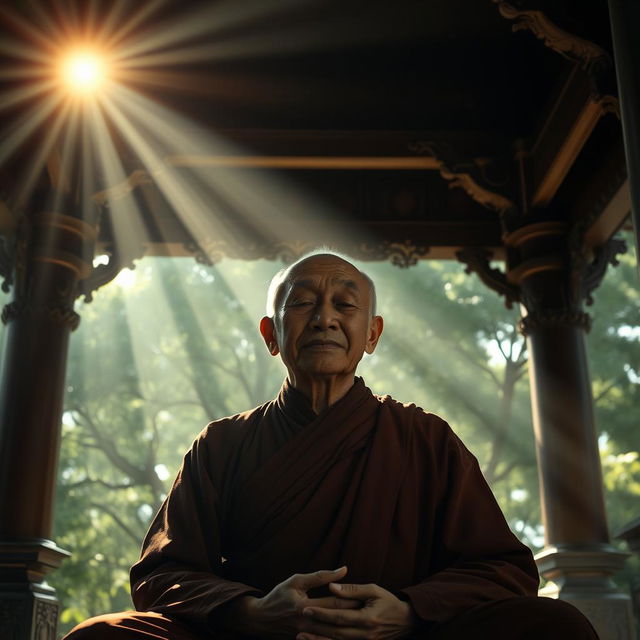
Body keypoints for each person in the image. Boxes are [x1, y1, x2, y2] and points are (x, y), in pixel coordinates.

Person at [64, 252, 598, 639]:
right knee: (100, 638)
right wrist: (249, 612)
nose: (325, 318)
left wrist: (409, 611)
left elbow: (504, 569)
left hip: (398, 639)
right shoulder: (222, 444)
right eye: (303, 305)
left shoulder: (422, 438)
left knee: (556, 626)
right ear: (271, 334)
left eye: (346, 305)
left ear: (372, 334)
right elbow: (162, 573)